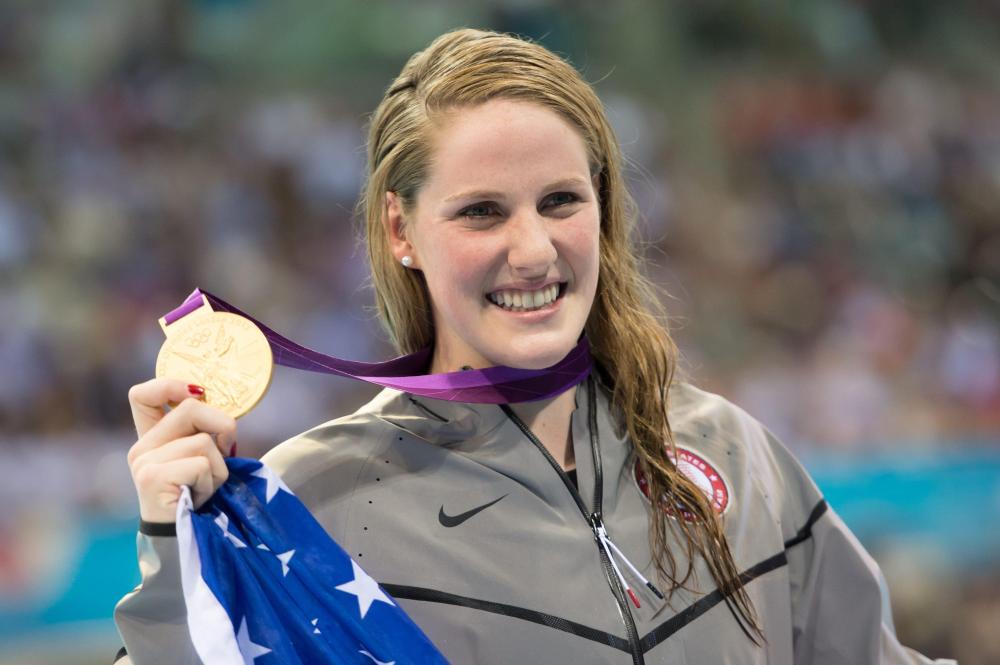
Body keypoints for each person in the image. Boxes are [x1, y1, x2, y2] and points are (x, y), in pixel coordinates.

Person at [113, 28, 954, 665]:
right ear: (400, 229)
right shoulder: (321, 501)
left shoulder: (731, 451)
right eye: (482, 212)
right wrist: (173, 546)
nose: (534, 250)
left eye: (560, 201)